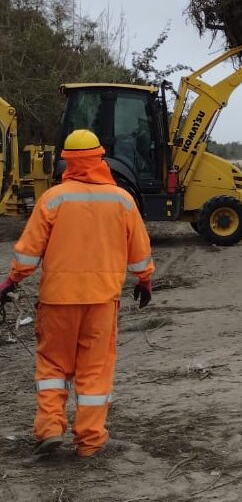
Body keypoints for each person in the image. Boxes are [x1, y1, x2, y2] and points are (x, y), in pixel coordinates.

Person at [0, 129, 154, 457]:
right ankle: (90, 440)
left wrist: (11, 281)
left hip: (58, 300)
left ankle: (50, 429)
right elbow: (140, 252)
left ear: (67, 161)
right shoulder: (122, 200)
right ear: (101, 159)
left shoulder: (53, 198)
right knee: (95, 370)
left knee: (53, 365)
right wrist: (144, 280)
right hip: (101, 301)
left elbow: (28, 252)